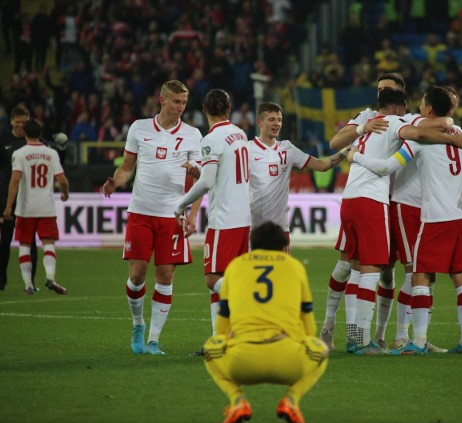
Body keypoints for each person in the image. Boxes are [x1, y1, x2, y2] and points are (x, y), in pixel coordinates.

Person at [320, 73, 462, 353]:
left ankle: (366, 336)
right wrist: (453, 141)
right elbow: (421, 133)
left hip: (353, 199)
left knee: (368, 268)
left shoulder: (375, 123)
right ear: (400, 106)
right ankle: (359, 340)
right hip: (374, 201)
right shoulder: (389, 121)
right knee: (368, 270)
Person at [349, 85, 462, 355]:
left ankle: (413, 340)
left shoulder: (418, 136)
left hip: (432, 217)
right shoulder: (461, 136)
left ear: (426, 109)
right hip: (459, 216)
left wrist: (354, 156)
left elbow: (386, 166)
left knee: (419, 275)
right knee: (457, 275)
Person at [102, 80, 203, 355]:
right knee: (136, 275)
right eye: (176, 102)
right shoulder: (139, 128)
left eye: (184, 102)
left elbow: (201, 178)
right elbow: (126, 167)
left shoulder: (193, 135)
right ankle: (138, 324)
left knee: (165, 276)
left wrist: (193, 210)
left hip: (172, 215)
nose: (180, 108)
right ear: (162, 100)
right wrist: (115, 181)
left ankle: (154, 339)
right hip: (141, 212)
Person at [201, 221, 328, 423]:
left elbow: (222, 323)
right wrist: (303, 342)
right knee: (321, 350)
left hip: (242, 362)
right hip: (288, 361)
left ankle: (237, 400)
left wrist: (228, 340)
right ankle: (291, 400)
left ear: (252, 244)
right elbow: (308, 322)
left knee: (210, 348)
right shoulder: (295, 267)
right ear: (282, 246)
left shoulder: (236, 266)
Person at [174, 88, 251, 339]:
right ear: (229, 110)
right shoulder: (240, 134)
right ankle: (220, 339)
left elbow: (207, 183)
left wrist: (180, 205)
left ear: (204, 110)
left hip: (224, 219)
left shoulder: (211, 139)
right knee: (220, 285)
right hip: (243, 219)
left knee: (212, 278)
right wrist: (200, 168)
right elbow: (220, 174)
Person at [250, 101, 346, 248]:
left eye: (279, 120)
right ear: (259, 122)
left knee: (282, 271)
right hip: (253, 227)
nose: (277, 123)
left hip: (280, 229)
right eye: (271, 119)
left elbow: (322, 165)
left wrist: (346, 151)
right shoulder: (246, 149)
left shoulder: (287, 149)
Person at [2, 118, 69, 295]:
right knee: (48, 243)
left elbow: (15, 180)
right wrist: (65, 193)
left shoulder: (20, 154)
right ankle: (50, 277)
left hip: (25, 208)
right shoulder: (51, 153)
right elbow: (62, 179)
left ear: (24, 133)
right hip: (46, 207)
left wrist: (8, 206)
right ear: (40, 133)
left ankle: (28, 285)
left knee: (24, 244)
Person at [0, 106, 38, 291]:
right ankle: (1, 281)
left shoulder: (33, 140)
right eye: (18, 121)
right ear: (11, 121)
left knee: (30, 241)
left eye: (24, 122)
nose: (21, 125)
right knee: (4, 240)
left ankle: (31, 282)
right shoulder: (3, 140)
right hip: (7, 197)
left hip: (28, 199)